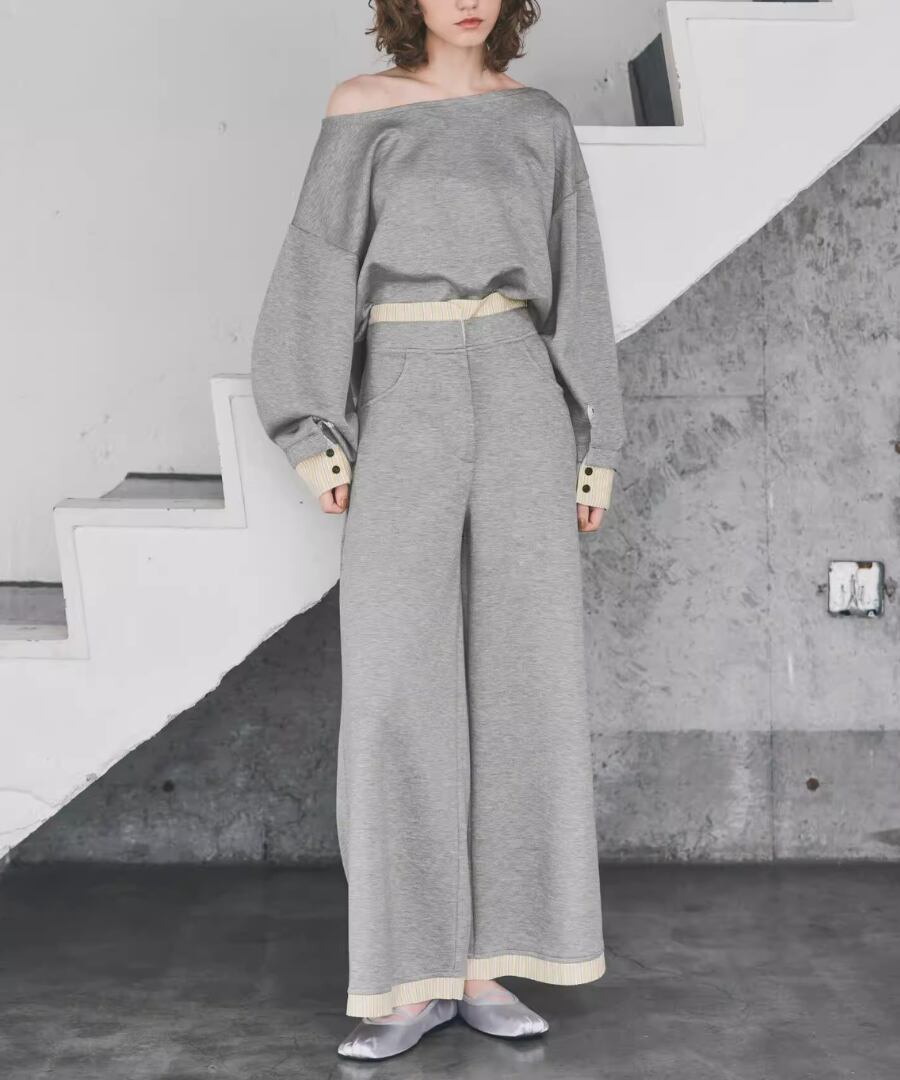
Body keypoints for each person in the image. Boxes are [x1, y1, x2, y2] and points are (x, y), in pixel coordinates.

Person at [250, 0, 626, 1061]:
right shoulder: (364, 109)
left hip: (519, 390)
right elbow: (316, 268)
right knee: (394, 686)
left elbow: (581, 285)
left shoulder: (540, 122)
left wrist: (598, 441)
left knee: (523, 683)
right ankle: (405, 976)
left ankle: (488, 962)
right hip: (403, 388)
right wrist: (311, 431)